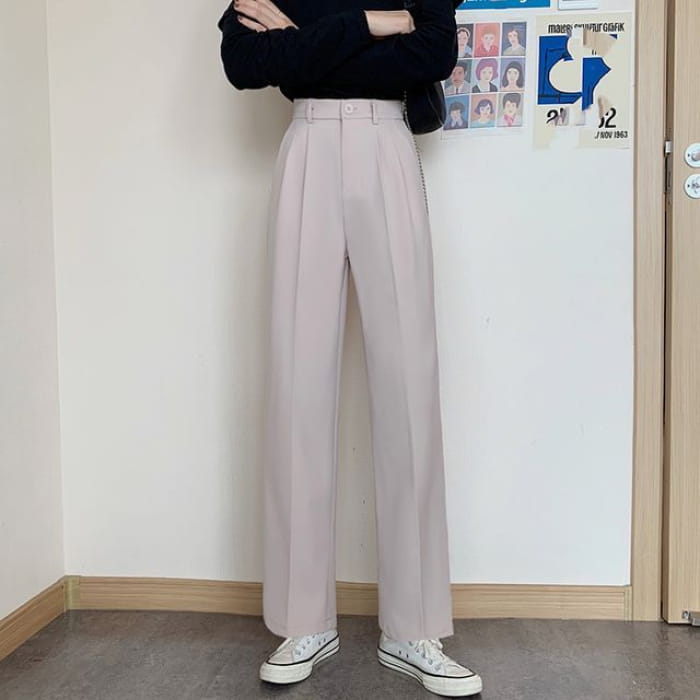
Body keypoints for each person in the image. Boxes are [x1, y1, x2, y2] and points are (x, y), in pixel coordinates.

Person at [217, 0, 483, 697]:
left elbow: (433, 52)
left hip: (387, 141)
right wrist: (373, 23)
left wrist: (306, 40)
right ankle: (303, 619)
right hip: (306, 145)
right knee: (297, 383)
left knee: (408, 384)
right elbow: (244, 62)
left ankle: (413, 627)